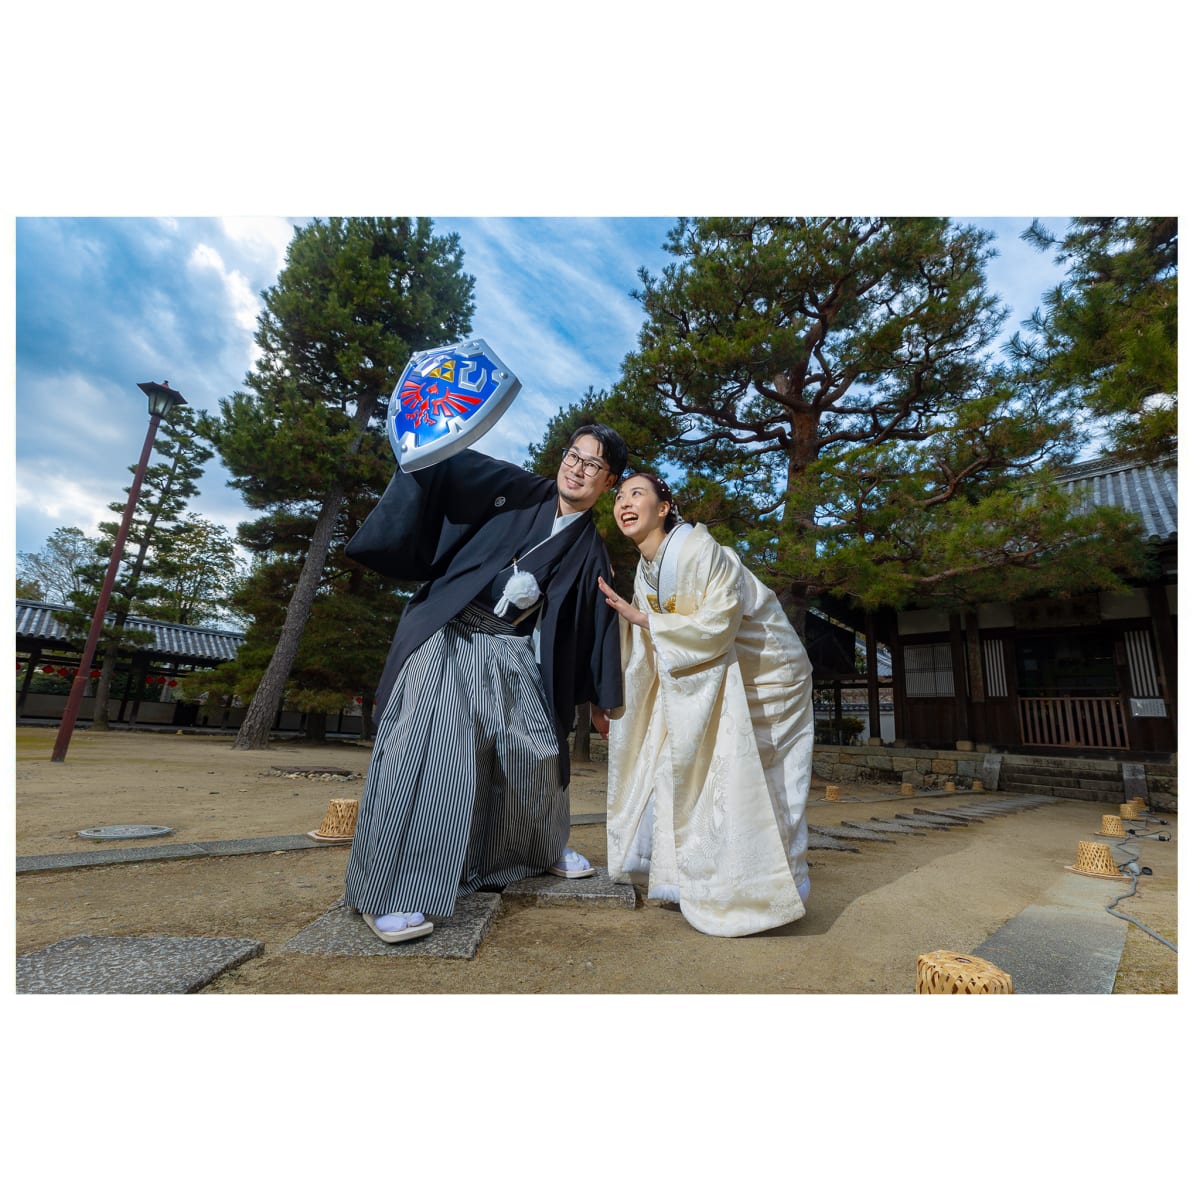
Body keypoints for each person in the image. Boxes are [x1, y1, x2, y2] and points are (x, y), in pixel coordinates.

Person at [343, 424, 628, 943]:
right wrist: (419, 432)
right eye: (574, 456)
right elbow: (446, 463)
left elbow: (595, 623)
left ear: (608, 481)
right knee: (433, 753)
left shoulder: (591, 549)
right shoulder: (515, 487)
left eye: (593, 465)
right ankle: (390, 891)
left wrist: (600, 699)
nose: (577, 469)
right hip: (450, 631)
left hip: (509, 648)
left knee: (535, 753)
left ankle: (535, 850)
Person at [597, 472, 814, 937]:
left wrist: (644, 620)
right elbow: (643, 652)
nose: (624, 503)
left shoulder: (701, 551)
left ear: (664, 508)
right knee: (683, 768)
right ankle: (692, 881)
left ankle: (770, 892)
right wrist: (614, 698)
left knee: (761, 786)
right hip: (716, 673)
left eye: (637, 494)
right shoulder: (647, 569)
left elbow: (719, 622)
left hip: (769, 675)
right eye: (619, 497)